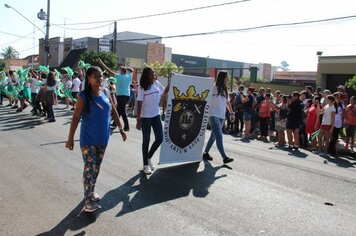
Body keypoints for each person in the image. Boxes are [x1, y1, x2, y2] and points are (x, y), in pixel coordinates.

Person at [65, 66, 127, 212]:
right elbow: (75, 117)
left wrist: (121, 128)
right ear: (89, 78)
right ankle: (88, 200)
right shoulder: (83, 96)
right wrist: (70, 138)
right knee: (89, 168)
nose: (100, 79)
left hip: (103, 138)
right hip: (88, 139)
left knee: (96, 168)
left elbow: (113, 111)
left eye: (101, 76)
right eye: (96, 76)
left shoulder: (105, 92)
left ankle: (91, 192)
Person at [136, 67, 170, 175]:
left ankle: (148, 157)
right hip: (146, 117)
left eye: (153, 73)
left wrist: (170, 82)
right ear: (146, 75)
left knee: (160, 139)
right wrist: (138, 119)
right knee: (146, 140)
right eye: (151, 73)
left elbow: (165, 92)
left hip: (156, 115)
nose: (153, 74)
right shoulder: (141, 87)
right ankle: (145, 165)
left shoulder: (156, 84)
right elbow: (139, 103)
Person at [202, 71, 234, 164]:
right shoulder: (213, 87)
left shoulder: (225, 89)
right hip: (213, 114)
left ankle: (205, 153)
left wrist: (232, 113)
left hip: (221, 116)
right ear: (222, 78)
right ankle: (224, 157)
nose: (227, 79)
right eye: (226, 77)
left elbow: (227, 103)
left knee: (214, 136)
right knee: (219, 136)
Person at [98, 59, 133, 132]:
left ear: (121, 71)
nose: (118, 71)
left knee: (122, 110)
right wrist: (125, 68)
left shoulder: (119, 76)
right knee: (119, 109)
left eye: (120, 70)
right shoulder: (128, 76)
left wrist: (101, 63)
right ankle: (115, 123)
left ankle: (126, 126)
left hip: (121, 95)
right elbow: (132, 70)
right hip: (127, 95)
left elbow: (108, 70)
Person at [328, 92, 345, 157]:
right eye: (337, 97)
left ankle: (330, 149)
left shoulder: (341, 104)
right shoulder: (331, 104)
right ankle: (332, 150)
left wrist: (344, 120)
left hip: (339, 122)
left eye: (339, 97)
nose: (338, 98)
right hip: (332, 122)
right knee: (333, 137)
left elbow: (343, 113)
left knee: (335, 137)